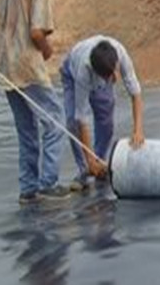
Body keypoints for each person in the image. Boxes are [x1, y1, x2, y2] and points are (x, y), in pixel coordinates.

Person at [0, 0, 69, 205]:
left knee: (26, 128)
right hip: (26, 64)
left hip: (5, 64)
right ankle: (48, 185)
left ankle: (28, 189)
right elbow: (37, 31)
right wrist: (48, 51)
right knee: (55, 121)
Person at [60, 35, 145, 190]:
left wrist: (138, 130)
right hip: (71, 73)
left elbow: (136, 94)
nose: (113, 79)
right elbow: (82, 118)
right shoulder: (83, 72)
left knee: (106, 121)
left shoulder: (120, 54)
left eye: (114, 72)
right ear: (97, 73)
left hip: (100, 71)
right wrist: (89, 160)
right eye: (107, 77)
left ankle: (99, 163)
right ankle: (85, 170)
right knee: (72, 123)